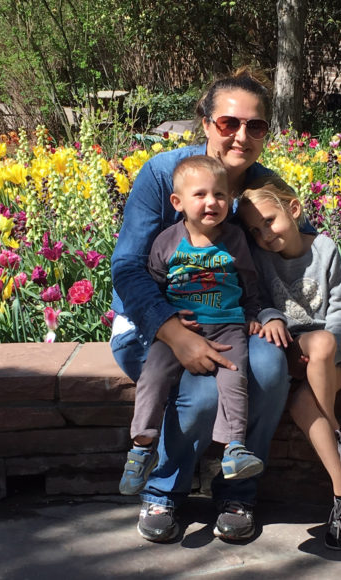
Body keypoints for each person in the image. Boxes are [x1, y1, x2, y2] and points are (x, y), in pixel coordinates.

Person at [110, 68, 341, 545]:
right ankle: (164, 488)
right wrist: (173, 332)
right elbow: (127, 268)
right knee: (203, 393)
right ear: (206, 124)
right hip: (155, 325)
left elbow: (306, 251)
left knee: (270, 369)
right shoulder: (164, 175)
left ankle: (238, 491)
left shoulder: (260, 187)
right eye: (229, 123)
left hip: (236, 321)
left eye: (256, 126)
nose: (242, 136)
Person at [238, 174, 341, 550]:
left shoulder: (325, 249)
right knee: (313, 344)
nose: (265, 235)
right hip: (289, 345)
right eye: (255, 230)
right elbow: (261, 300)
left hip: (323, 350)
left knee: (304, 405)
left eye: (269, 221)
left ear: (294, 209)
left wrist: (332, 343)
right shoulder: (262, 258)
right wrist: (272, 318)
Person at [121, 155, 265, 497]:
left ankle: (234, 449)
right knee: (153, 375)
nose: (211, 202)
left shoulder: (233, 240)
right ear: (178, 202)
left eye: (219, 195)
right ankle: (142, 447)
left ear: (229, 200)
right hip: (180, 329)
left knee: (234, 378)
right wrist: (166, 320)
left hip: (228, 325)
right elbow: (154, 282)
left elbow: (249, 280)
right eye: (199, 195)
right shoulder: (167, 241)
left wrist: (253, 314)